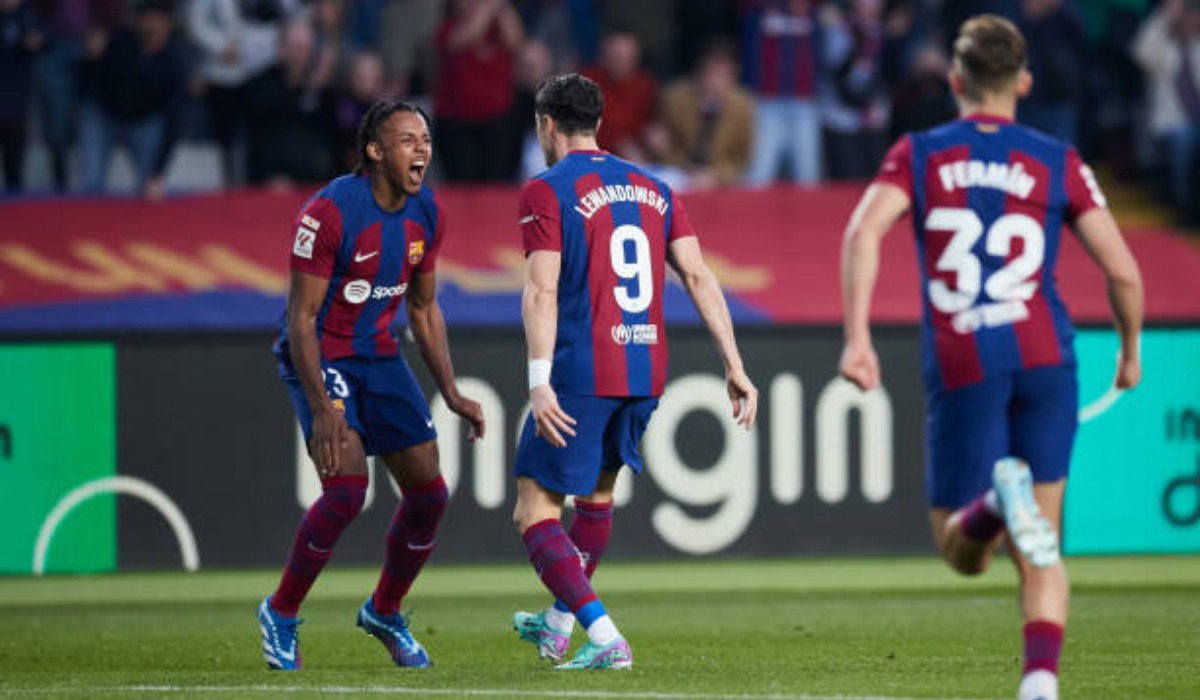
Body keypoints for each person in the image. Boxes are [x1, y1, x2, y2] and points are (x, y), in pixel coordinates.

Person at [838, 15, 1143, 700]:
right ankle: (1039, 683)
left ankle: (991, 508)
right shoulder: (1057, 158)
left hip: (963, 352)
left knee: (960, 549)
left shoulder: (919, 152)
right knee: (1044, 545)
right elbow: (1122, 272)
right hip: (1045, 353)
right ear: (1025, 82)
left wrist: (857, 337)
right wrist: (1129, 351)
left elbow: (864, 231)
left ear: (955, 82)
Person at [510, 73, 758, 670]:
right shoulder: (655, 187)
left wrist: (539, 379)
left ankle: (604, 637)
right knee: (596, 498)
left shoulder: (546, 189)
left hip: (582, 367)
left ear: (547, 124)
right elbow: (699, 276)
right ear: (598, 123)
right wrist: (735, 364)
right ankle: (557, 625)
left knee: (534, 509)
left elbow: (541, 290)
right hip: (645, 368)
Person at [257, 100, 486, 671]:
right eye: (408, 140)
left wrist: (452, 391)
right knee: (345, 491)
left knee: (430, 494)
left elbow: (425, 308)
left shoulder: (426, 212)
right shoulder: (329, 212)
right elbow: (302, 319)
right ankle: (280, 614)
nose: (422, 150)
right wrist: (323, 406)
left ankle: (385, 610)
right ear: (375, 151)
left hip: (378, 354)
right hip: (321, 350)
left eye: (426, 139)